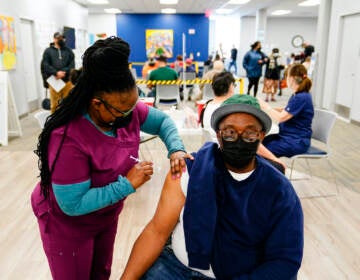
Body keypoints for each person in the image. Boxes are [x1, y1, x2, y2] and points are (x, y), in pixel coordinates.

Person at [31, 36, 192, 280]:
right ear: (96, 103)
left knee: (101, 273)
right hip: (67, 223)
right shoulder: (67, 137)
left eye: (133, 105)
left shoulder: (124, 109)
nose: (131, 115)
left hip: (104, 214)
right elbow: (73, 204)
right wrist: (127, 184)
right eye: (122, 110)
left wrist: (176, 149)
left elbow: (163, 122)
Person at [120, 94, 304, 280]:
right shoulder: (189, 170)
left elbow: (285, 260)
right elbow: (157, 232)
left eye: (249, 133)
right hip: (176, 268)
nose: (239, 139)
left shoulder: (279, 190)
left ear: (261, 136)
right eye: (230, 132)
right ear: (218, 134)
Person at [201, 72, 285, 172]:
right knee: (277, 167)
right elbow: (251, 143)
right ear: (231, 87)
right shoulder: (232, 112)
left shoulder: (206, 106)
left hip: (215, 155)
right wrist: (275, 159)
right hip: (232, 157)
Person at [258, 64, 314, 157]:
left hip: (296, 141)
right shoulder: (299, 95)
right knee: (259, 142)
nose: (285, 79)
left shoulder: (300, 97)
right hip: (289, 137)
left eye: (286, 76)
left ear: (291, 78)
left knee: (262, 150)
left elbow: (281, 118)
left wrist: (266, 106)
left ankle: (273, 169)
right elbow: (285, 111)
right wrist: (264, 108)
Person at [41, 32, 75, 113]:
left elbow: (72, 65)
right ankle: (55, 124)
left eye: (62, 38)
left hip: (67, 81)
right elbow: (45, 65)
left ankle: (68, 123)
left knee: (69, 104)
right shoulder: (48, 51)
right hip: (54, 81)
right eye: (59, 38)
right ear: (54, 39)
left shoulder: (69, 51)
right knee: (54, 105)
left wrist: (63, 72)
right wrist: (56, 73)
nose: (61, 40)